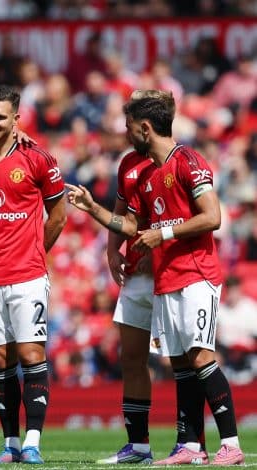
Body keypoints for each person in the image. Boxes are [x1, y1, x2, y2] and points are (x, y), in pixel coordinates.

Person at [66, 90, 245, 466]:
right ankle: (190, 447)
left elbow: (212, 216)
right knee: (179, 364)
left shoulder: (188, 161)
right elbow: (131, 224)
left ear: (145, 128)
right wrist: (93, 209)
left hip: (196, 274)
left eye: (130, 128)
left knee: (200, 358)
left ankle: (231, 444)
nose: (127, 134)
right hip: (165, 279)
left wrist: (162, 234)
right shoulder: (146, 172)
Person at [96, 90, 206, 465]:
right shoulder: (129, 163)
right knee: (132, 358)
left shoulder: (175, 161)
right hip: (136, 272)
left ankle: (190, 442)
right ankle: (138, 446)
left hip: (167, 270)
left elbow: (178, 219)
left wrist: (155, 248)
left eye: (129, 126)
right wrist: (113, 249)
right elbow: (121, 210)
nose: (126, 133)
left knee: (181, 360)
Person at [0, 85, 66, 465]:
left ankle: (34, 442)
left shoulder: (38, 159)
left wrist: (37, 251)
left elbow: (58, 214)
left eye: (0, 117)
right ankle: (9, 443)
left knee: (30, 352)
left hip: (27, 275)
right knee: (1, 359)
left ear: (16, 120)